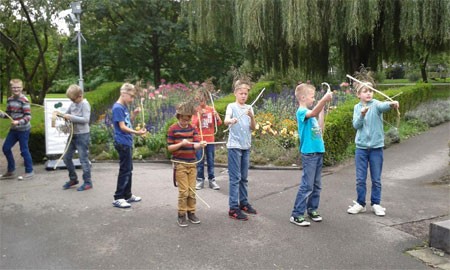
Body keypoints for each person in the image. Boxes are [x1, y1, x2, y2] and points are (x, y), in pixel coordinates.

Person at [347, 80, 399, 216]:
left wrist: (392, 104)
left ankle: (376, 203)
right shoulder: (357, 108)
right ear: (359, 94)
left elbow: (384, 106)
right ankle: (360, 203)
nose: (369, 93)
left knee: (376, 178)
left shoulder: (376, 104)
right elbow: (356, 125)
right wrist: (362, 115)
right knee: (360, 178)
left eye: (370, 90)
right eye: (365, 91)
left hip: (376, 148)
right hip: (361, 149)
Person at [290, 83, 332, 227]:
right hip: (309, 154)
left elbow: (320, 128)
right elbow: (312, 113)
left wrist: (322, 110)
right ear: (302, 97)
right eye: (312, 97)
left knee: (316, 185)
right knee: (307, 185)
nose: (314, 99)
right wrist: (323, 100)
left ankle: (312, 209)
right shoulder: (301, 112)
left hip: (318, 152)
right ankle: (296, 214)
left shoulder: (310, 113)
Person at [167, 102, 206, 227]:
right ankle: (181, 214)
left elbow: (195, 145)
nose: (186, 122)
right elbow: (170, 148)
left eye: (188, 119)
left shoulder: (193, 127)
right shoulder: (173, 129)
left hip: (192, 163)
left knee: (192, 191)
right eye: (183, 120)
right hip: (180, 164)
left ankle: (191, 213)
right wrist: (181, 144)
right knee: (184, 191)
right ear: (178, 116)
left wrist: (200, 144)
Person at [224, 79, 257, 221]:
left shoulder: (249, 108)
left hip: (246, 146)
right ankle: (233, 207)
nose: (243, 96)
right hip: (234, 146)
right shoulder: (231, 106)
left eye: (245, 93)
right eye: (241, 93)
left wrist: (251, 116)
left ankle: (243, 203)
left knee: (244, 177)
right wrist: (231, 121)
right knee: (235, 177)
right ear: (235, 93)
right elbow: (226, 120)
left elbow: (253, 128)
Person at [111, 83, 146, 208]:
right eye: (131, 96)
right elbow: (122, 127)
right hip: (122, 141)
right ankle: (118, 197)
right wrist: (137, 133)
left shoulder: (124, 107)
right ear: (123, 94)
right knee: (125, 170)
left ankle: (127, 195)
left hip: (127, 141)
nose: (132, 99)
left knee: (128, 169)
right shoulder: (118, 108)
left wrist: (134, 114)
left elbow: (127, 122)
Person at [0, 79, 34, 180]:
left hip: (24, 129)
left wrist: (18, 122)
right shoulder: (10, 99)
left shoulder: (24, 100)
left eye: (18, 87)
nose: (16, 89)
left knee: (24, 150)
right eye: (14, 87)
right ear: (11, 88)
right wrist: (1, 114)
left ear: (22, 88)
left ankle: (29, 171)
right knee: (6, 148)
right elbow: (8, 114)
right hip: (14, 130)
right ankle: (11, 171)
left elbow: (28, 117)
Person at [61, 84, 93, 191]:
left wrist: (71, 117)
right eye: (70, 99)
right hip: (73, 134)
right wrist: (63, 116)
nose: (72, 101)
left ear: (80, 96)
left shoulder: (85, 104)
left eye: (73, 99)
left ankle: (88, 182)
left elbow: (85, 119)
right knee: (66, 157)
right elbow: (67, 114)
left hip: (83, 135)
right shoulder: (73, 104)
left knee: (83, 159)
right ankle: (73, 178)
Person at [191, 88, 222, 190]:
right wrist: (199, 115)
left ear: (206, 99)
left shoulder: (211, 109)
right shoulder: (196, 111)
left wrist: (216, 116)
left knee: (211, 161)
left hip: (210, 139)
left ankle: (212, 180)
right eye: (199, 100)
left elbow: (219, 123)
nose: (201, 102)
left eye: (203, 99)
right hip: (199, 140)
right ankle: (200, 180)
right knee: (200, 161)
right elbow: (193, 125)